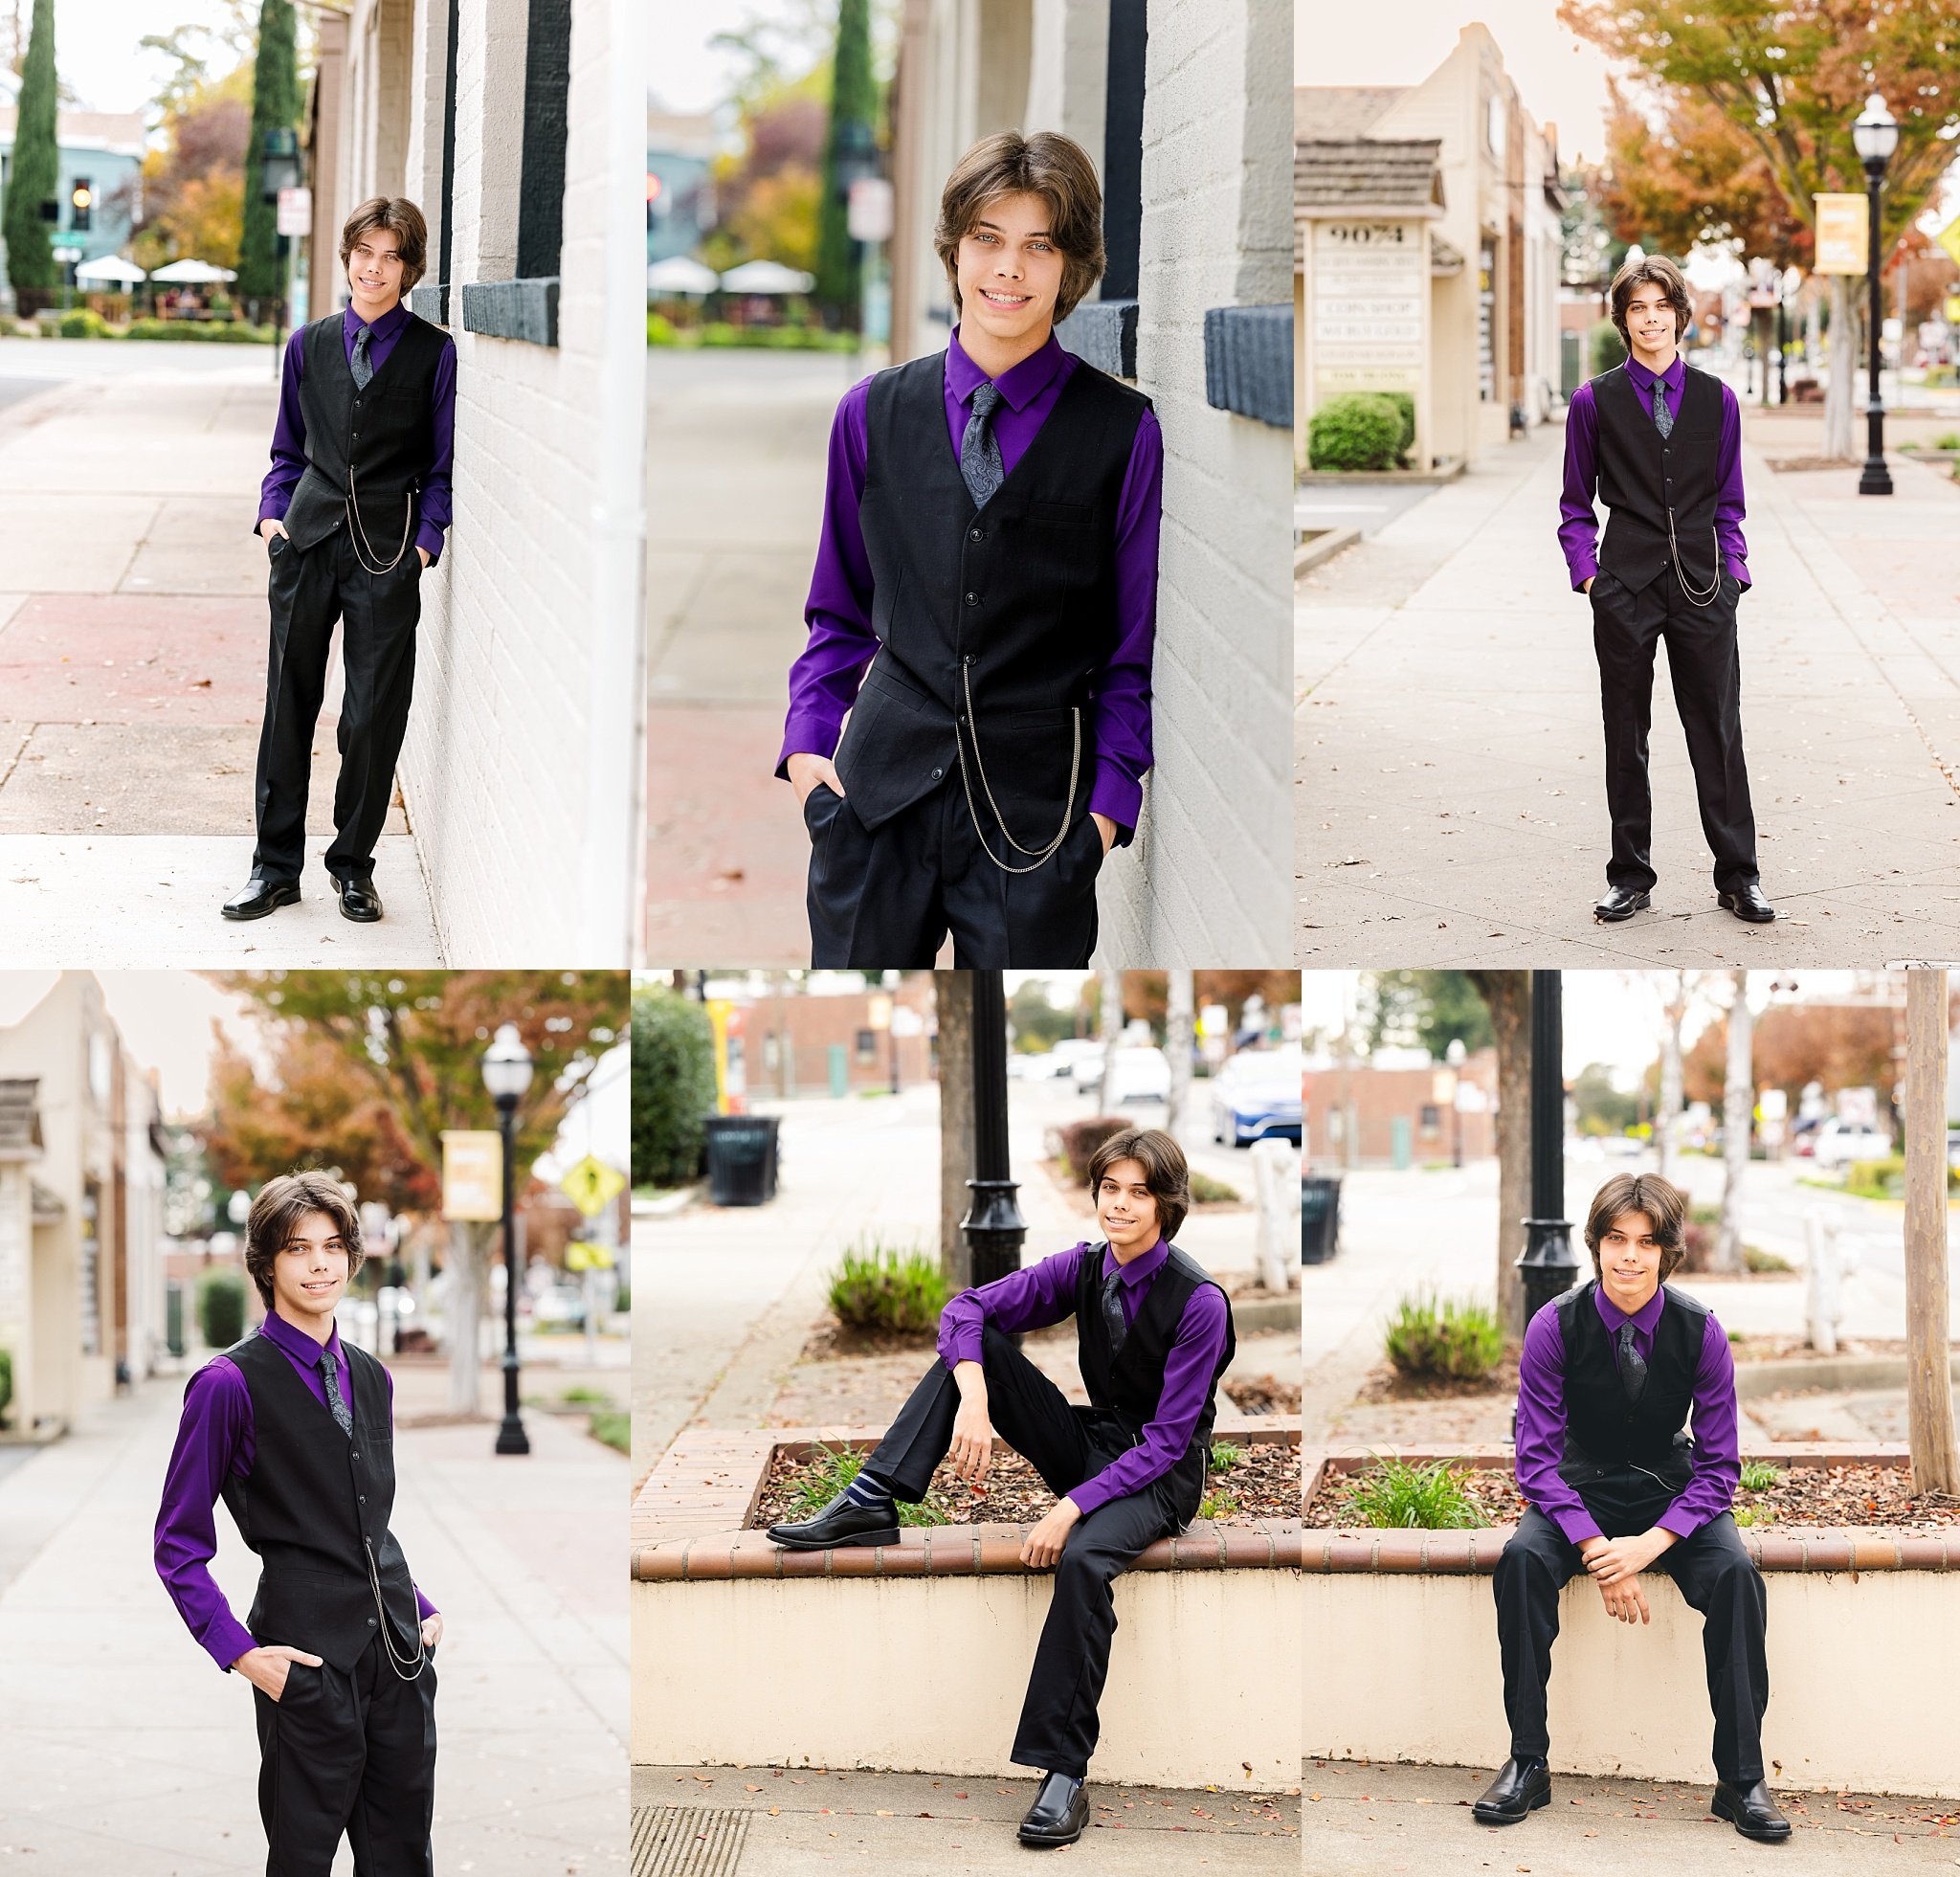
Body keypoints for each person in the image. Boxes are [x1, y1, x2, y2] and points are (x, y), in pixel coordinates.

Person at [765, 1128, 1234, 1847]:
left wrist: (1071, 1507)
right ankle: (872, 1498)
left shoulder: (1198, 1301)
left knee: (1083, 1560)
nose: (1120, 1205)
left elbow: (1170, 1440)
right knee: (974, 1349)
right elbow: (963, 1308)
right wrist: (976, 1398)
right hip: (1096, 1442)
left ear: (1167, 1204)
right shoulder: (1084, 1267)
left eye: (1139, 1192)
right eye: (1110, 1187)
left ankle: (1063, 1776)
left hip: (1162, 1477)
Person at [777, 129, 1164, 967]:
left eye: (1039, 245)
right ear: (955, 253)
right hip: (873, 807)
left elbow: (1129, 651)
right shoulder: (869, 415)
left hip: (1038, 829)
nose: (1010, 269)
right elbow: (837, 610)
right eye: (988, 240)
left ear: (1072, 269)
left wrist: (1101, 817)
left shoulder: (1123, 433)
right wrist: (810, 751)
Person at [1475, 1172, 1789, 1842]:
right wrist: (1597, 1548)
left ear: (1666, 1252)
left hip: (1666, 1486)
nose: (1628, 1256)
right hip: (1576, 1484)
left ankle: (1741, 1779)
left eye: (1646, 1242)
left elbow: (1719, 1465)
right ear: (1595, 1243)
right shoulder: (1553, 1325)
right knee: (1522, 1561)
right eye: (1616, 1238)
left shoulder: (1700, 1330)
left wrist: (1652, 1543)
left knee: (1737, 1576)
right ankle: (1528, 1762)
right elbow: (1534, 1459)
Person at [155, 1171, 442, 1874]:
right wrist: (243, 1654)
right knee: (302, 1862)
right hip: (306, 1667)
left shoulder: (373, 1375)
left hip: (399, 1664)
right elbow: (176, 1546)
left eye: (334, 1245)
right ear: (265, 1264)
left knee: (404, 1858)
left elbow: (364, 1517)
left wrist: (419, 1606)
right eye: (298, 1247)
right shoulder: (227, 1385)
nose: (321, 1262)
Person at [225, 197, 456, 927]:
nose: (374, 268)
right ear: (348, 256)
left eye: (390, 257)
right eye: (365, 252)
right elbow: (286, 451)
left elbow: (443, 469)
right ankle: (274, 867)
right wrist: (272, 521)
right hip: (306, 544)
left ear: (409, 270)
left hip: (388, 555)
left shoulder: (434, 352)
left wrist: (425, 543)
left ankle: (353, 867)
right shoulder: (309, 343)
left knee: (370, 716)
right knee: (287, 705)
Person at [1558, 254, 1773, 927]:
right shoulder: (1593, 400)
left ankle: (1739, 876)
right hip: (1624, 586)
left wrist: (1734, 570)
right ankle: (1630, 876)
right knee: (1625, 734)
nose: (1651, 319)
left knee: (1718, 731)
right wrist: (1590, 577)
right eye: (1637, 309)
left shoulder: (1718, 399)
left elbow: (1731, 500)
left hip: (1707, 588)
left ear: (1681, 315)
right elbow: (1574, 503)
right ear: (1623, 320)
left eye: (1661, 307)